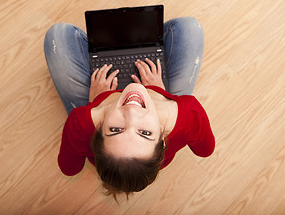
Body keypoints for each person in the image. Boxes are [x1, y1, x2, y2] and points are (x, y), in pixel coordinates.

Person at [44, 17, 215, 199]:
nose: (132, 112)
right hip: (161, 92)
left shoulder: (81, 120)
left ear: (98, 130)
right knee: (189, 28)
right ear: (163, 139)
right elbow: (205, 150)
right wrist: (160, 92)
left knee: (58, 34)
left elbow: (69, 169)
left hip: (97, 97)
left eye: (115, 129)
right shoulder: (187, 112)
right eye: (146, 133)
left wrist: (95, 102)